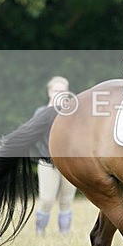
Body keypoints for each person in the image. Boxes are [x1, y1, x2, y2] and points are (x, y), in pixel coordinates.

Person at [34, 76, 78, 235]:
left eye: (62, 91)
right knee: (46, 200)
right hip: (48, 163)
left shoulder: (72, 112)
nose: (59, 93)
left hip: (69, 164)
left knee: (66, 201)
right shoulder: (41, 112)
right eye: (56, 91)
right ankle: (40, 232)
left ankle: (64, 235)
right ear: (49, 93)